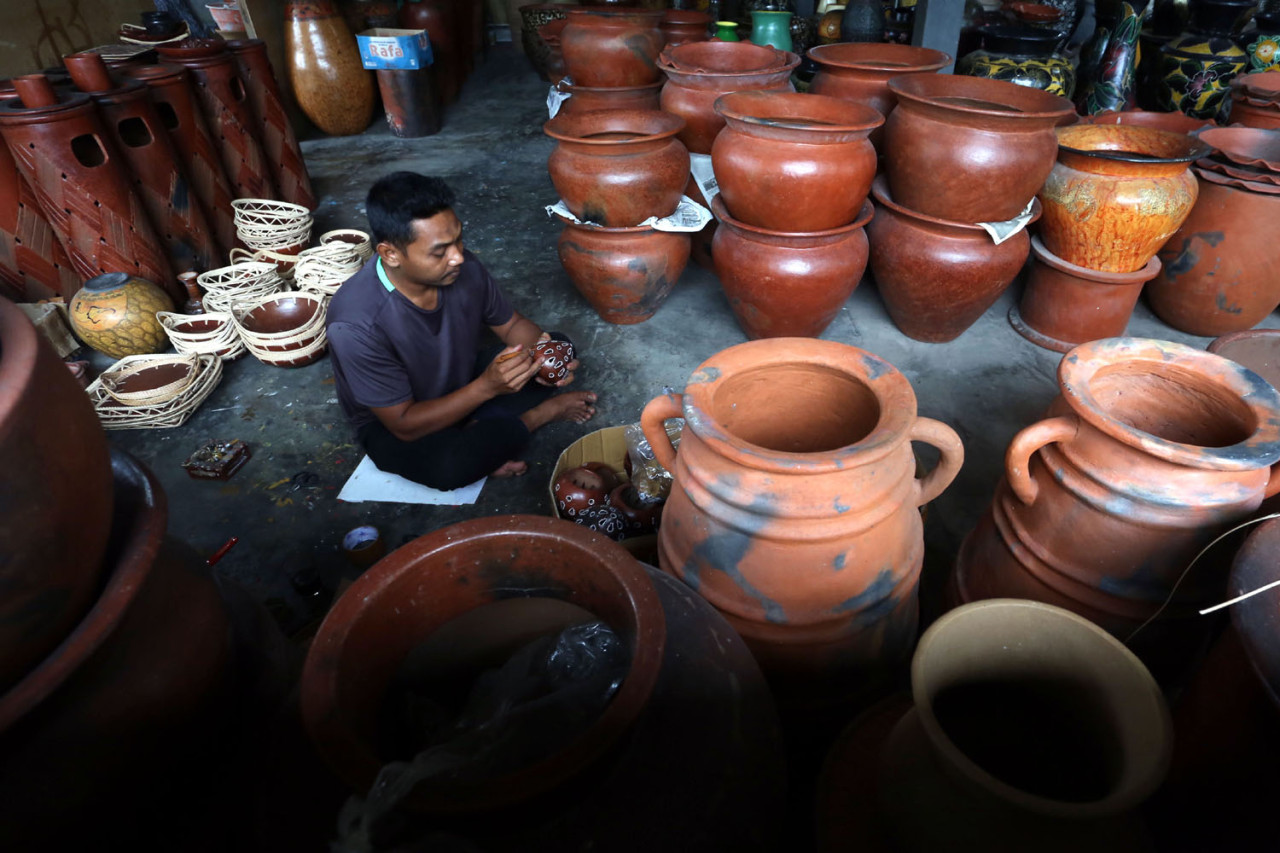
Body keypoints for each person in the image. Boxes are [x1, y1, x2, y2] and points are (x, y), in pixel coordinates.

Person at [326, 172, 597, 490]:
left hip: (463, 379)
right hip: (399, 421)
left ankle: (483, 434)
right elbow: (403, 424)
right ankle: (538, 417)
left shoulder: (462, 267)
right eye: (439, 252)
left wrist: (540, 360)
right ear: (391, 254)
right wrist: (488, 387)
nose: (457, 257)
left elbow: (511, 324)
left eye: (458, 240)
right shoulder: (356, 323)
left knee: (559, 346)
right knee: (449, 467)